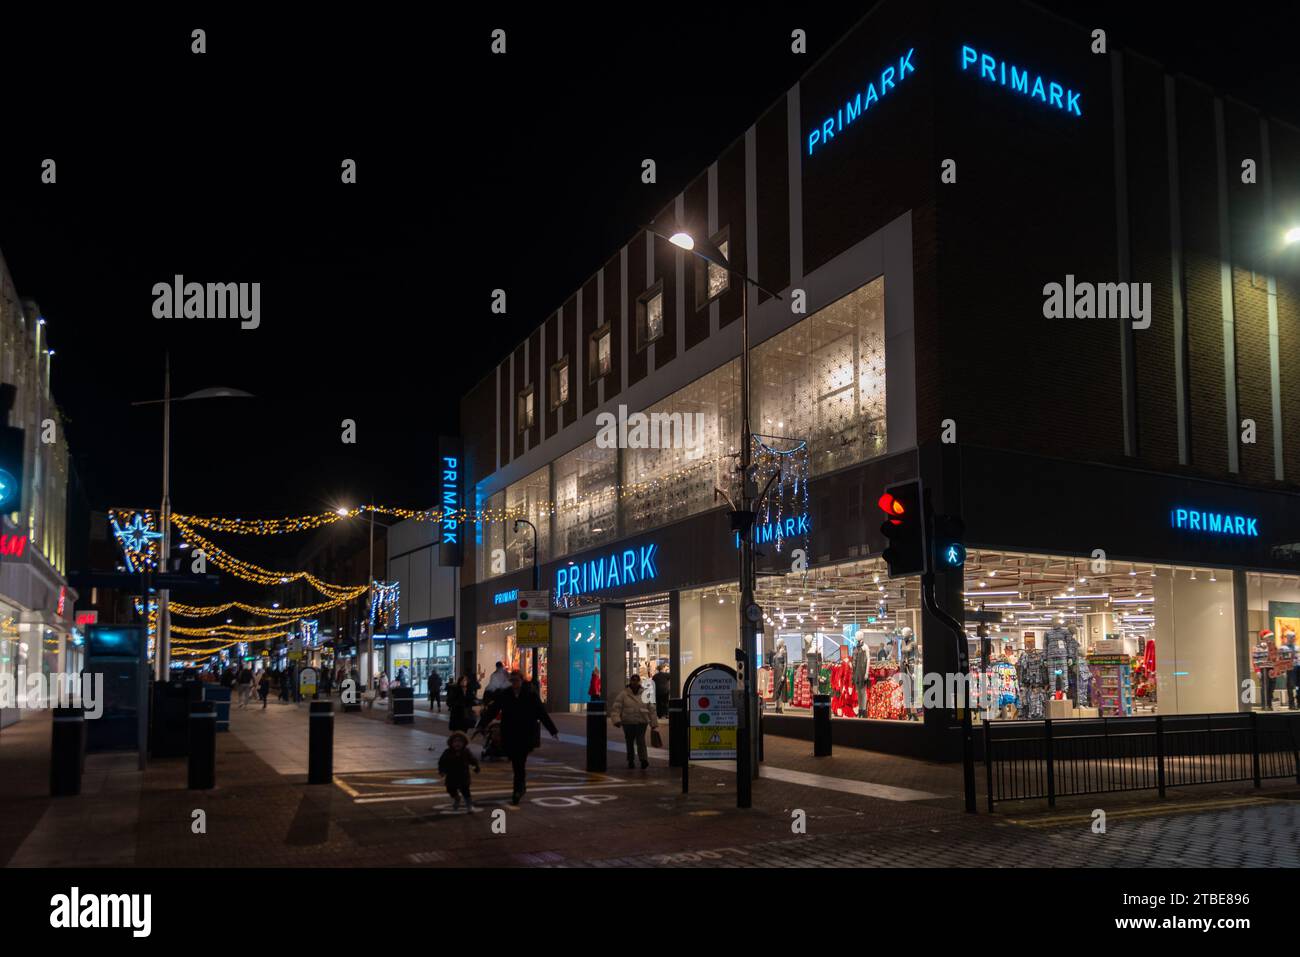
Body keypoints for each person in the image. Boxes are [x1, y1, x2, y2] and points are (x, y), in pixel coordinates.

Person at [474, 670, 558, 805]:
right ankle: (521, 786)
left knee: (520, 762)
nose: (514, 683)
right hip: (510, 733)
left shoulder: (530, 695)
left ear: (522, 680)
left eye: (516, 680)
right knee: (516, 762)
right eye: (512, 681)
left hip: (525, 733)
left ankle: (517, 789)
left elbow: (541, 713)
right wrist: (482, 724)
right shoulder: (505, 694)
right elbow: (493, 710)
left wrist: (552, 730)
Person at [611, 673, 659, 770]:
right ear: (630, 682)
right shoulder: (623, 694)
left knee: (641, 741)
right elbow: (616, 707)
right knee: (629, 742)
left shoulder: (645, 694)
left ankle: (643, 760)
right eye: (633, 681)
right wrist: (616, 720)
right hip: (628, 722)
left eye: (637, 681)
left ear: (639, 682)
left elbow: (652, 709)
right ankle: (631, 760)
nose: (635, 683)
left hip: (641, 721)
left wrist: (653, 723)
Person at [438, 731, 481, 811]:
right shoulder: (447, 752)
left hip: (463, 775)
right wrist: (442, 771)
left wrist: (476, 767)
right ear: (451, 743)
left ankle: (469, 805)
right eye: (455, 741)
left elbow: (473, 760)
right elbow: (442, 762)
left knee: (465, 791)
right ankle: (456, 798)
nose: (457, 743)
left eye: (460, 741)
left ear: (464, 743)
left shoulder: (466, 752)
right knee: (450, 789)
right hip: (451, 775)